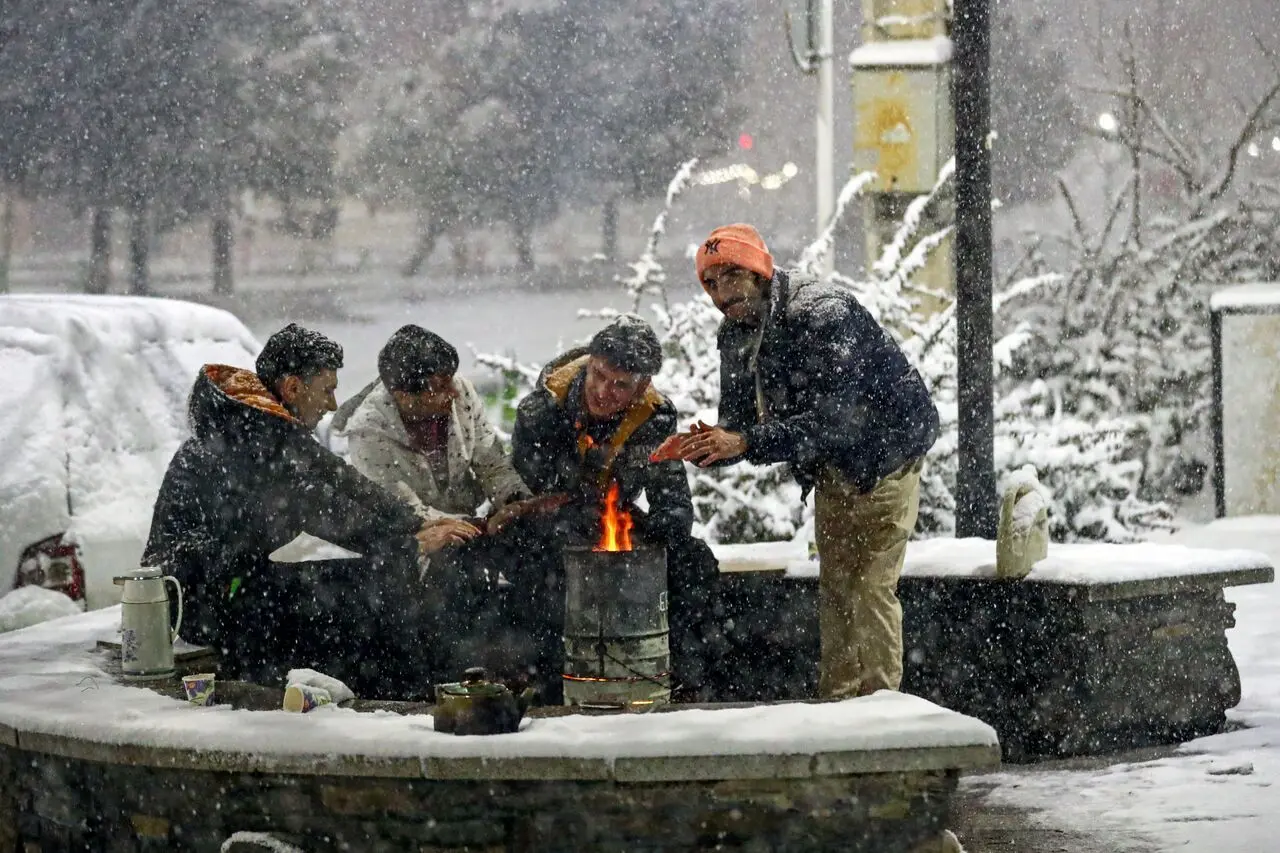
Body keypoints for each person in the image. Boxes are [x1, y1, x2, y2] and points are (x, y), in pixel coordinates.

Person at [667, 224, 939, 699]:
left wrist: (744, 442)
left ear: (758, 272)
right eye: (710, 283)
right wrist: (709, 445)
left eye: (731, 275)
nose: (721, 293)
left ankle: (885, 714)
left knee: (871, 587)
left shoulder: (822, 314)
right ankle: (838, 705)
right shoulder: (736, 333)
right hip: (831, 467)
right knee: (836, 590)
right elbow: (741, 427)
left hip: (887, 455)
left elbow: (839, 421)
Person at [143, 323, 479, 698]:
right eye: (327, 390)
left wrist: (417, 522)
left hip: (236, 579)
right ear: (292, 388)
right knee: (365, 584)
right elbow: (321, 510)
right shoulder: (251, 438)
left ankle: (396, 693)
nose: (333, 404)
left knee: (368, 577)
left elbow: (344, 481)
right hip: (199, 600)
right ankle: (394, 698)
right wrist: (408, 544)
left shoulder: (271, 426)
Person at [333, 324, 570, 674]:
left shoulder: (460, 394)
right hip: (414, 544)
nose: (453, 393)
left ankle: (541, 665)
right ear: (404, 395)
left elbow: (491, 461)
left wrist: (516, 502)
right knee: (455, 573)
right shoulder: (369, 432)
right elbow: (405, 511)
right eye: (440, 387)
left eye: (451, 380)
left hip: (471, 525)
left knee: (539, 550)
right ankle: (454, 677)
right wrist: (479, 525)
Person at [511, 316, 721, 698]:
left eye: (620, 385)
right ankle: (550, 686)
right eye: (599, 375)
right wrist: (578, 507)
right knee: (548, 566)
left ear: (642, 386)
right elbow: (529, 489)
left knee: (693, 560)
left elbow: (671, 495)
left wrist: (661, 532)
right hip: (550, 522)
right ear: (589, 363)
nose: (604, 391)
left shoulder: (654, 417)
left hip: (617, 521)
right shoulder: (542, 409)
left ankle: (679, 681)